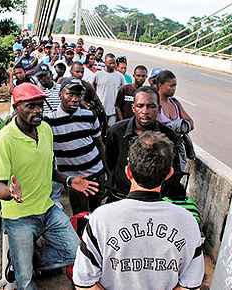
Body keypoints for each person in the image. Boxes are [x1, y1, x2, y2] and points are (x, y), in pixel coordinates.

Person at [0, 83, 99, 290]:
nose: (37, 111)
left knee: (77, 252)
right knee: (26, 281)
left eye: (40, 105)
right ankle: (23, 261)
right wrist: (10, 192)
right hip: (19, 218)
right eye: (30, 106)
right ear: (16, 107)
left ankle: (25, 258)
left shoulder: (45, 130)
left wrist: (68, 180)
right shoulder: (4, 140)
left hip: (47, 209)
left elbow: (48, 169)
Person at [73, 131, 204, 290]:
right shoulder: (187, 221)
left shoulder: (100, 219)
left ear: (128, 171)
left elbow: (84, 283)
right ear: (169, 173)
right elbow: (191, 285)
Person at [105, 86, 181, 199]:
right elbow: (109, 162)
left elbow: (173, 168)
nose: (145, 111)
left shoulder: (169, 136)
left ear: (159, 108)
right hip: (120, 196)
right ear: (133, 108)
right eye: (140, 106)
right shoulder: (116, 132)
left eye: (151, 106)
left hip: (154, 199)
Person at [44, 79, 107, 215]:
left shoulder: (89, 115)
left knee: (97, 214)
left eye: (78, 95)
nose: (74, 99)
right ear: (60, 94)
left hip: (96, 173)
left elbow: (99, 144)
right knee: (80, 215)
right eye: (70, 94)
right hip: (74, 179)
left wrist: (108, 172)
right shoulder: (49, 121)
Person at [156, 70, 194, 171]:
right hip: (160, 153)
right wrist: (177, 126)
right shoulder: (154, 104)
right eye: (171, 86)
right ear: (160, 85)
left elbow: (191, 123)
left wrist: (175, 126)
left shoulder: (175, 103)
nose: (174, 89)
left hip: (176, 154)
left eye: (175, 86)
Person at [67, 62, 108, 136]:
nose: (80, 74)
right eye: (77, 72)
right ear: (71, 71)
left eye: (82, 72)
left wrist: (105, 121)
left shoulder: (87, 85)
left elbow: (98, 103)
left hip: (83, 121)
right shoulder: (64, 83)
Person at [93, 53, 124, 126]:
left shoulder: (120, 76)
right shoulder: (98, 75)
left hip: (113, 111)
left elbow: (122, 91)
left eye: (114, 63)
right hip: (100, 109)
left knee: (110, 129)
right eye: (110, 63)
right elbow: (92, 89)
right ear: (105, 63)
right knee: (99, 129)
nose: (112, 65)